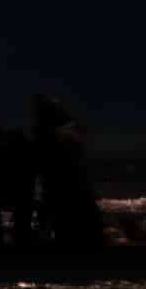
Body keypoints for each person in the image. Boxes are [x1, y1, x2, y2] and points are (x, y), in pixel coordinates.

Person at [31, 94, 105, 250]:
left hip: (60, 182)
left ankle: (67, 243)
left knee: (62, 216)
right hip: (65, 182)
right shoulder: (63, 133)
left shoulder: (48, 132)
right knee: (67, 215)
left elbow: (42, 157)